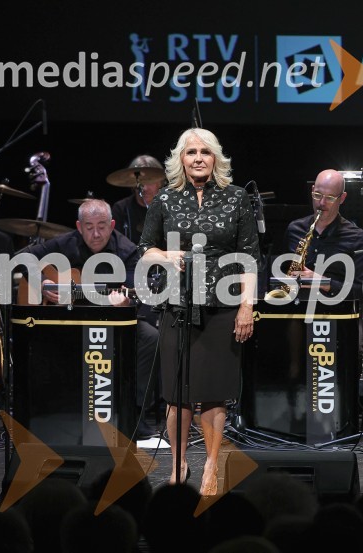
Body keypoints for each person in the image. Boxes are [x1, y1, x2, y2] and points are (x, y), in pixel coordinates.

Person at [138, 128, 258, 495]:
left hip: (223, 306)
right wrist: (164, 255)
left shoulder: (237, 198)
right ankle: (178, 462)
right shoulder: (166, 200)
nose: (198, 158)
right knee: (178, 394)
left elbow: (251, 257)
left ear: (216, 158)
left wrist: (247, 307)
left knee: (214, 392)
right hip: (177, 306)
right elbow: (145, 248)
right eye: (191, 152)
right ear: (181, 159)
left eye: (205, 152)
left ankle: (209, 464)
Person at [14, 199, 161, 438]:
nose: (95, 233)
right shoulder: (65, 243)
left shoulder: (128, 251)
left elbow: (137, 292)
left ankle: (132, 412)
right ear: (79, 226)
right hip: (67, 322)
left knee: (151, 338)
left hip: (110, 322)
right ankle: (46, 414)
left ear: (112, 224)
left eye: (102, 226)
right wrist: (42, 284)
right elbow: (24, 258)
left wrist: (126, 302)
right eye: (89, 226)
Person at [276, 169, 363, 300]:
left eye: (330, 198)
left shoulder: (356, 238)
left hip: (337, 313)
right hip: (297, 309)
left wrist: (325, 283)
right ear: (312, 190)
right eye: (318, 195)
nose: (322, 203)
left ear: (342, 198)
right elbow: (279, 276)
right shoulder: (294, 229)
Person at [112, 154, 167, 245]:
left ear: (160, 182)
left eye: (149, 181)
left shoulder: (170, 206)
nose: (144, 188)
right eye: (140, 182)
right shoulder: (121, 209)